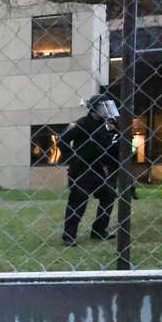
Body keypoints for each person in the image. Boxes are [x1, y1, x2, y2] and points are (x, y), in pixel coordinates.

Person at [58, 94, 119, 246]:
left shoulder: (105, 125)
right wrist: (73, 158)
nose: (106, 110)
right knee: (78, 202)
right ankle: (68, 236)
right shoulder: (82, 124)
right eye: (103, 107)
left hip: (97, 169)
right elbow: (63, 140)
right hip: (80, 171)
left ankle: (99, 230)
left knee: (109, 195)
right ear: (94, 109)